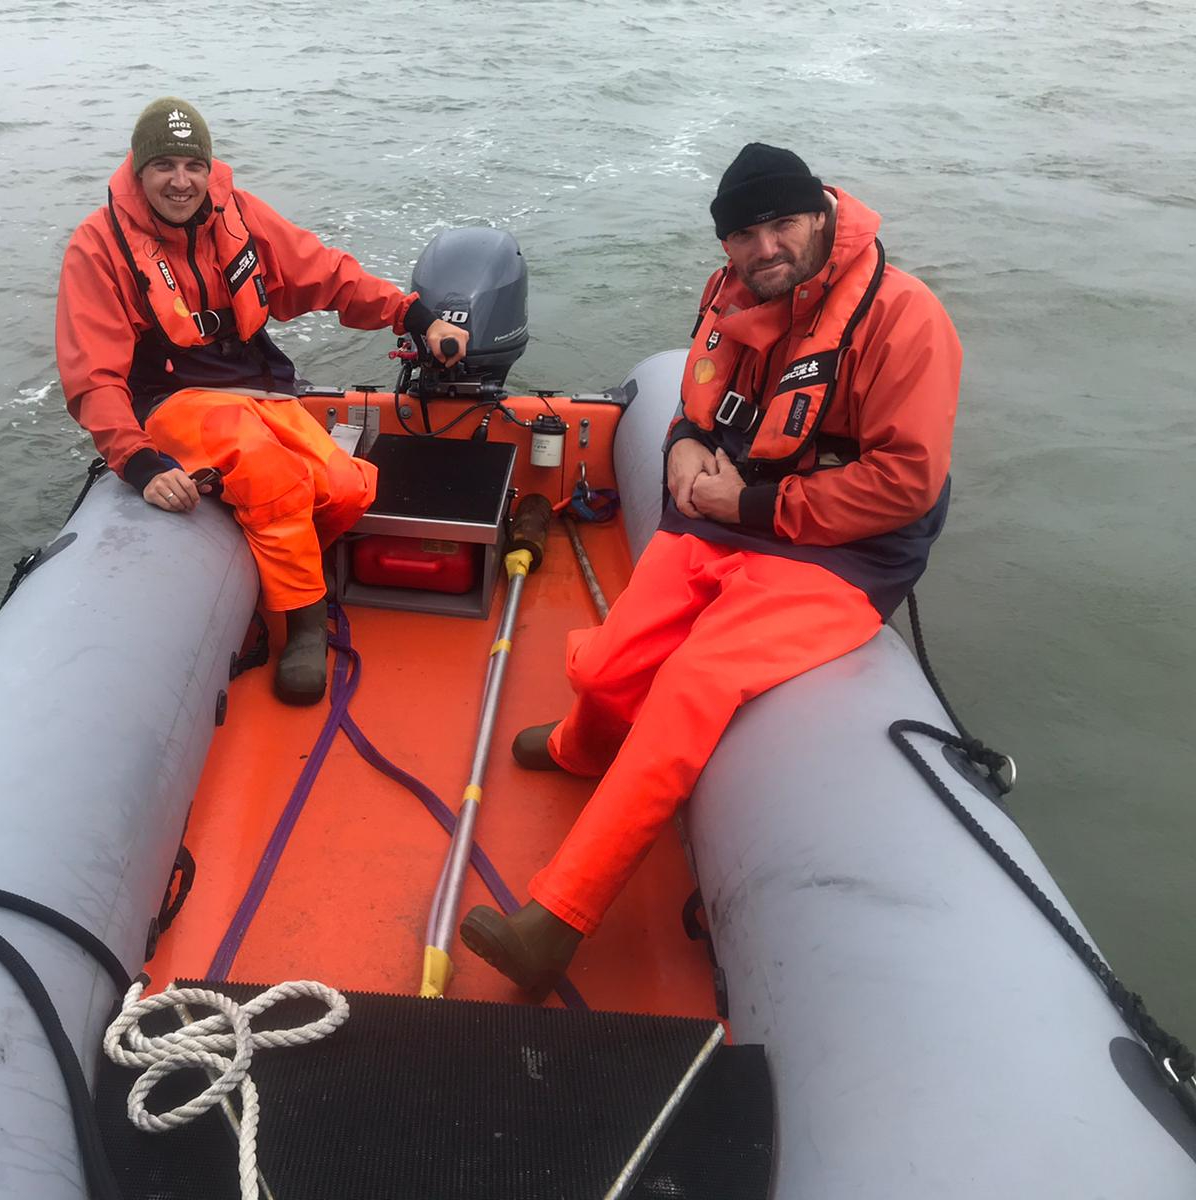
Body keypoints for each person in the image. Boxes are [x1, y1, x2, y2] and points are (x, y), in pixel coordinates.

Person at [460, 143, 962, 999]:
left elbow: (905, 483)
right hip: (726, 508)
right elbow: (700, 406)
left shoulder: (906, 318)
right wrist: (685, 445)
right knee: (608, 664)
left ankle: (556, 923)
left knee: (691, 683)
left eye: (782, 224)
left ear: (821, 217)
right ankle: (585, 746)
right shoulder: (729, 293)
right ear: (724, 244)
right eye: (743, 234)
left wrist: (754, 506)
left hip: (839, 550)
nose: (765, 248)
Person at [55, 97, 467, 704]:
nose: (180, 181)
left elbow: (325, 272)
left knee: (347, 488)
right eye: (164, 166)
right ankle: (304, 626)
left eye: (193, 166)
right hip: (169, 397)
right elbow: (92, 376)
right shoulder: (97, 246)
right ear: (138, 171)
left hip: (254, 383)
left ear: (209, 168)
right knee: (270, 472)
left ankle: (275, 564)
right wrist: (138, 462)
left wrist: (413, 315)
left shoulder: (238, 214)